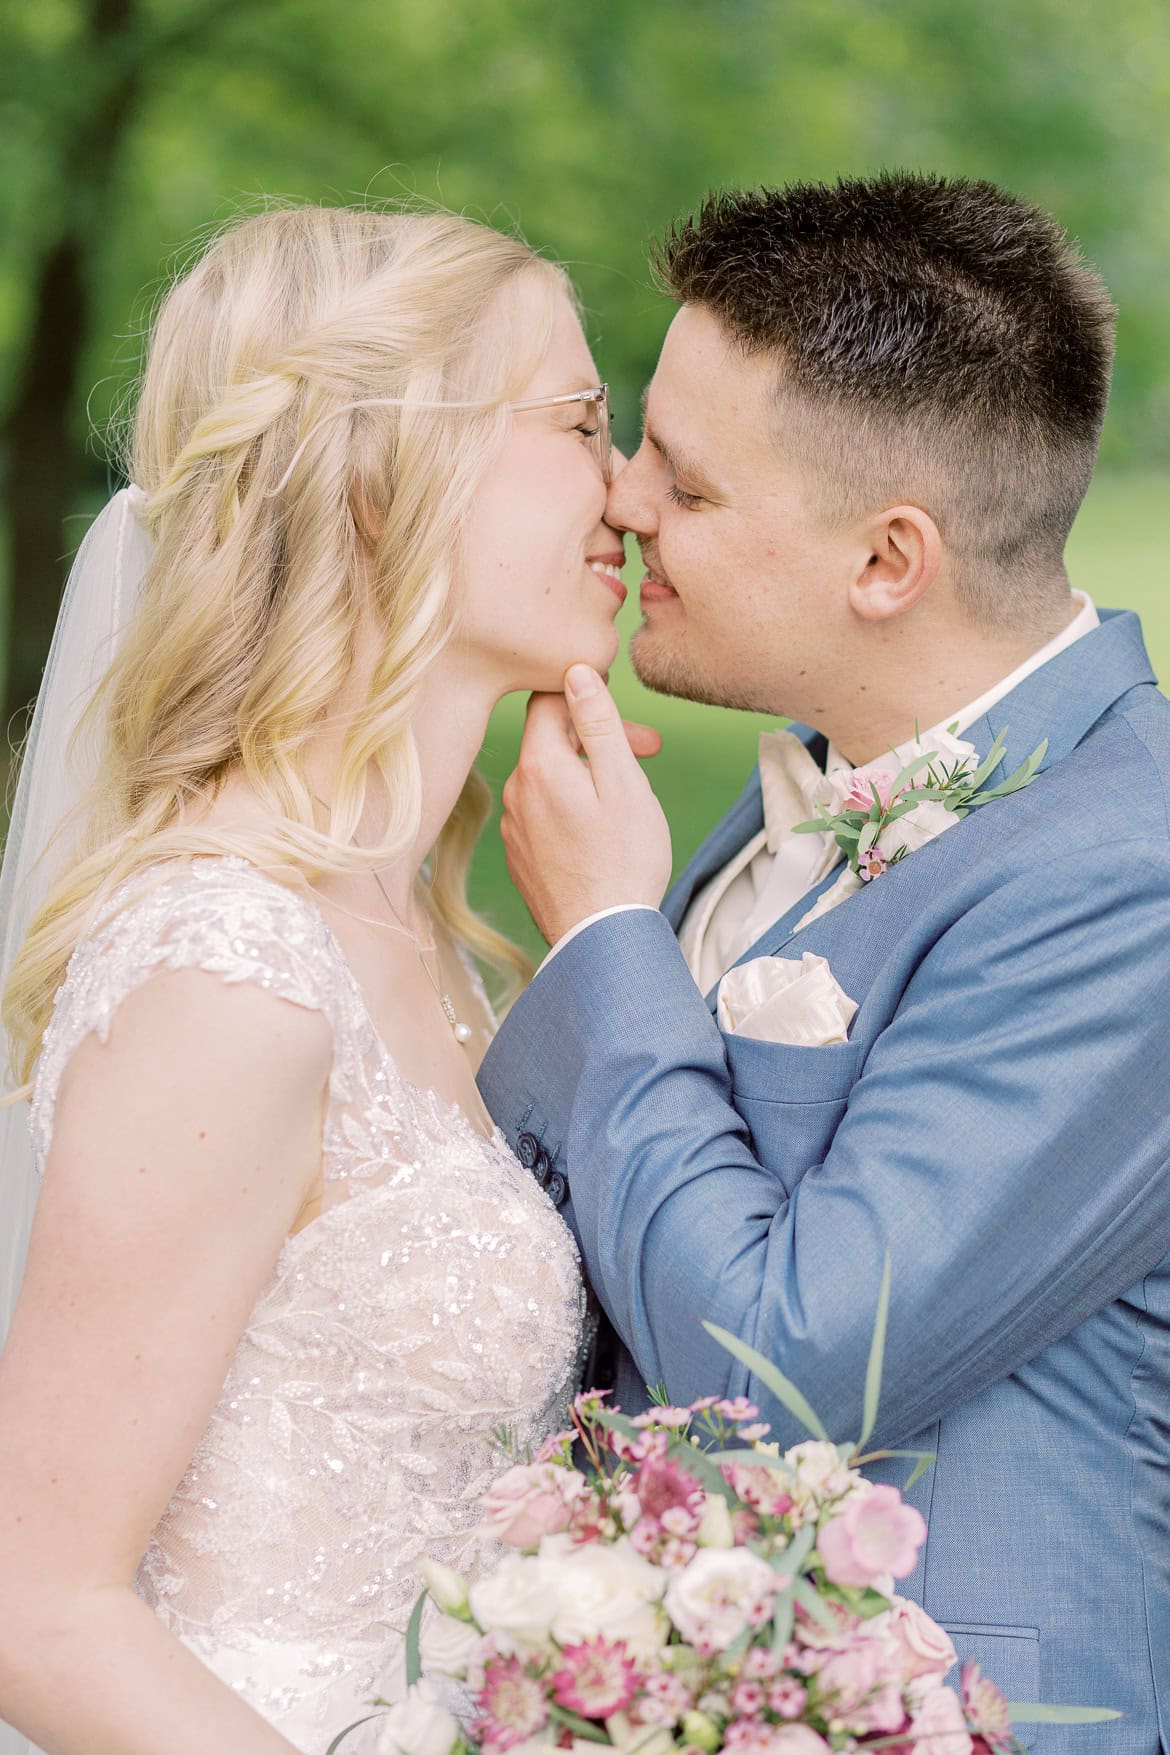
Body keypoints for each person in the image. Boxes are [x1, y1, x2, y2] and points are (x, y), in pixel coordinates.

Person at [477, 174, 1170, 1752]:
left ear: (885, 562)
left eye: (691, 488)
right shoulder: (807, 779)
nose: (624, 503)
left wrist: (604, 938)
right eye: (632, 442)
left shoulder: (1129, 874)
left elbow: (780, 1371)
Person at [0, 203, 644, 1755]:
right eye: (576, 422)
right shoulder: (232, 966)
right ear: (379, 471)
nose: (628, 490)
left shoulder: (424, 935)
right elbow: (34, 1607)